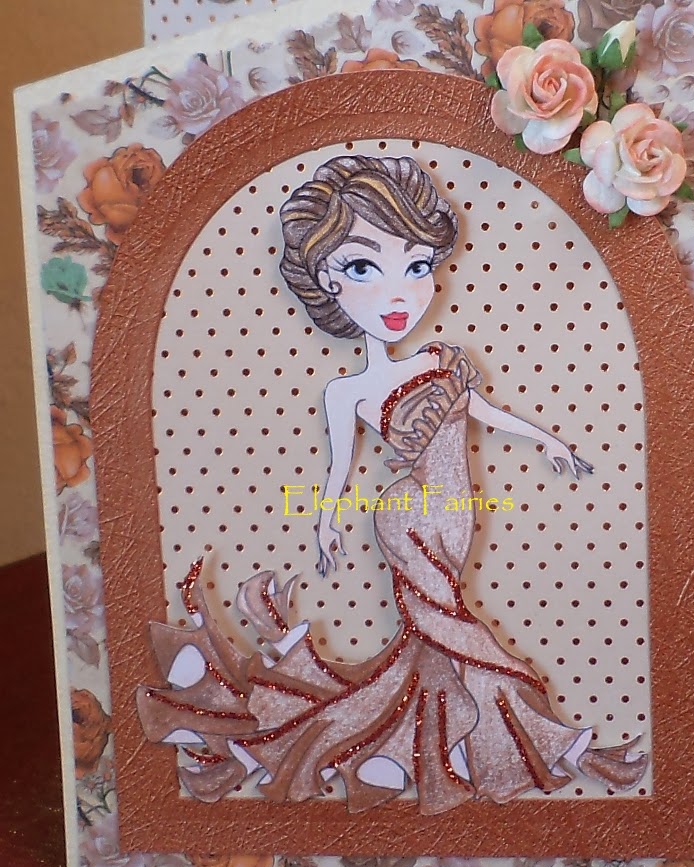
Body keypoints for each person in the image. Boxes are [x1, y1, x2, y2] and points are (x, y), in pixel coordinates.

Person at [137, 155, 647, 814]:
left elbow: (482, 411)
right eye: (361, 268)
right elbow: (340, 468)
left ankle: (421, 745)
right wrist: (326, 523)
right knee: (457, 631)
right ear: (327, 278)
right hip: (409, 518)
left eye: (417, 266)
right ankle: (557, 745)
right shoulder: (349, 391)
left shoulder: (437, 360)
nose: (398, 295)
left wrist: (547, 439)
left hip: (457, 515)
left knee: (434, 645)